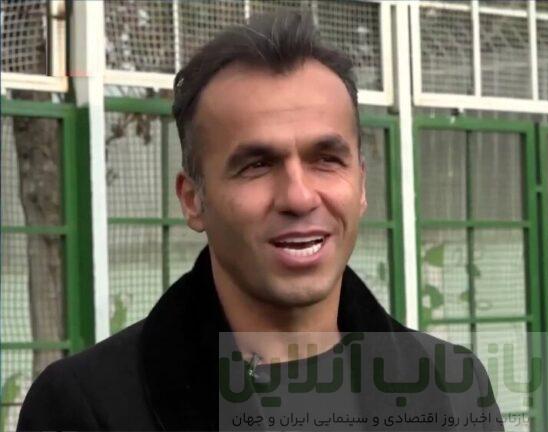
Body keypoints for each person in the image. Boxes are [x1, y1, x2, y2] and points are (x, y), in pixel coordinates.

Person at [17, 11, 503, 431]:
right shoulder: (84, 407)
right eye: (256, 165)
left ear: (361, 185)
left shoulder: (453, 389)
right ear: (193, 200)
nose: (298, 196)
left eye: (326, 159)